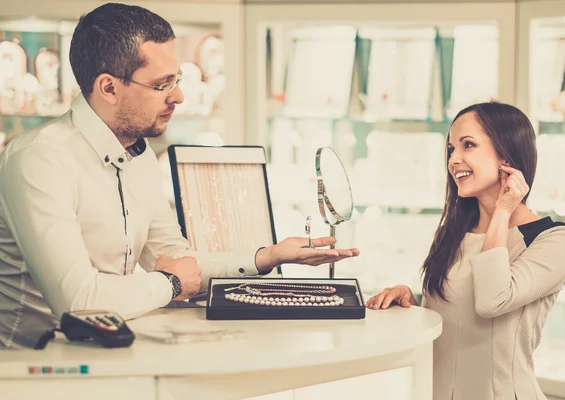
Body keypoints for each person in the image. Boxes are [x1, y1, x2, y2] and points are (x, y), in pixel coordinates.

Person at [0, 3, 359, 349]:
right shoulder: (39, 159)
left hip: (113, 354)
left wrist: (268, 257)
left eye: (178, 80)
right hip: (35, 369)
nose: (180, 96)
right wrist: (170, 282)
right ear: (108, 88)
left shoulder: (135, 154)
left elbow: (177, 258)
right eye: (162, 85)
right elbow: (78, 300)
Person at [366, 102, 565, 400]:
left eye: (468, 145)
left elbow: (491, 300)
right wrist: (411, 302)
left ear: (506, 154)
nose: (455, 160)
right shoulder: (453, 233)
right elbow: (452, 325)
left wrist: (503, 211)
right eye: (451, 149)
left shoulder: (552, 239)